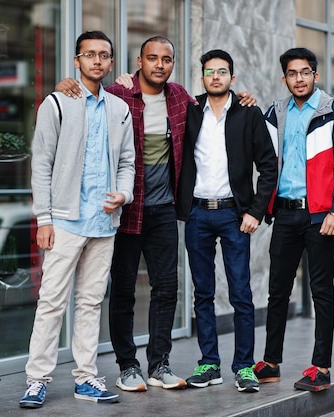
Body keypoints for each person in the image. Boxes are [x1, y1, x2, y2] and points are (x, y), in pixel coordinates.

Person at [57, 36, 257, 393]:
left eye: (167, 59)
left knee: (166, 289)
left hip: (164, 211)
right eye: (152, 58)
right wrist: (65, 84)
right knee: (123, 291)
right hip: (125, 210)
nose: (160, 65)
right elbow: (87, 94)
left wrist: (243, 96)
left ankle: (159, 363)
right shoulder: (119, 95)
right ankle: (127, 365)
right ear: (140, 61)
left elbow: (219, 96)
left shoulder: (181, 99)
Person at [20, 30, 135, 409]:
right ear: (77, 60)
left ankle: (86, 378)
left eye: (104, 55)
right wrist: (45, 219)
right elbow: (42, 164)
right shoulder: (56, 103)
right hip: (67, 221)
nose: (97, 61)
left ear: (111, 62)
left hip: (104, 223)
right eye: (90, 55)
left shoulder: (120, 109)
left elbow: (126, 162)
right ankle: (36, 379)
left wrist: (124, 194)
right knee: (51, 301)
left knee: (89, 303)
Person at [254, 47, 334, 392]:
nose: (299, 78)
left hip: (319, 216)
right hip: (284, 213)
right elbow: (257, 148)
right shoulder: (276, 112)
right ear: (284, 78)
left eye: (305, 72)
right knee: (277, 291)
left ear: (316, 75)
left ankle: (321, 367)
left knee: (321, 291)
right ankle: (270, 363)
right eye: (292, 73)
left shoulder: (332, 113)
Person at [176, 50, 277, 393]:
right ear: (202, 78)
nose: (216, 76)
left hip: (235, 214)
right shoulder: (190, 110)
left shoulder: (249, 113)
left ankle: (244, 366)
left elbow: (268, 165)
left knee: (241, 293)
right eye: (209, 72)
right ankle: (209, 363)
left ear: (232, 78)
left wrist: (255, 211)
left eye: (222, 72)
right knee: (202, 292)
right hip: (198, 214)